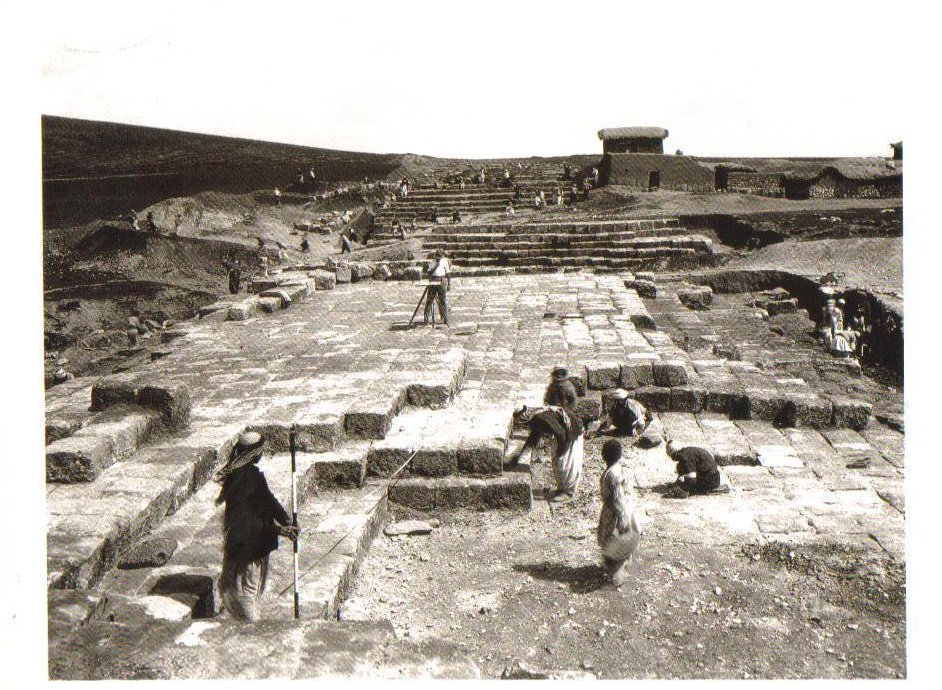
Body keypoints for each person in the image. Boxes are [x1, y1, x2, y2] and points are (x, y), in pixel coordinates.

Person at [214, 432, 298, 622]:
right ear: (254, 454)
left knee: (240, 588)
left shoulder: (247, 475)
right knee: (246, 593)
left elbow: (267, 499)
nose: (262, 454)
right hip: (248, 548)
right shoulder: (244, 481)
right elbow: (248, 524)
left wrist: (286, 520)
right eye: (260, 451)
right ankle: (252, 630)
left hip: (249, 543)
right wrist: (279, 529)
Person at [509, 404, 584, 502]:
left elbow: (560, 433)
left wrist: (560, 451)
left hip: (572, 431)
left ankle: (569, 492)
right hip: (562, 433)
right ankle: (561, 489)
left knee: (566, 463)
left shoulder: (540, 418)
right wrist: (518, 457)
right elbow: (532, 439)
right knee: (556, 461)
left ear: (523, 417)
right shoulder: (535, 417)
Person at [597, 440, 642, 586]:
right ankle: (619, 567)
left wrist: (622, 518)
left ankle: (617, 575)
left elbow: (617, 498)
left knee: (612, 541)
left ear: (604, 456)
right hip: (624, 507)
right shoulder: (618, 469)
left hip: (615, 511)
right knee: (618, 540)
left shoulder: (612, 475)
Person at [424, 249, 451, 325]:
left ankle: (445, 318)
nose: (438, 259)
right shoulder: (432, 262)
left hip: (442, 280)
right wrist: (436, 265)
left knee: (443, 300)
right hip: (433, 280)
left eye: (439, 258)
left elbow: (448, 273)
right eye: (437, 258)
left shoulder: (445, 261)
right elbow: (429, 273)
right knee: (429, 299)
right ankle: (426, 318)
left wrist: (449, 284)